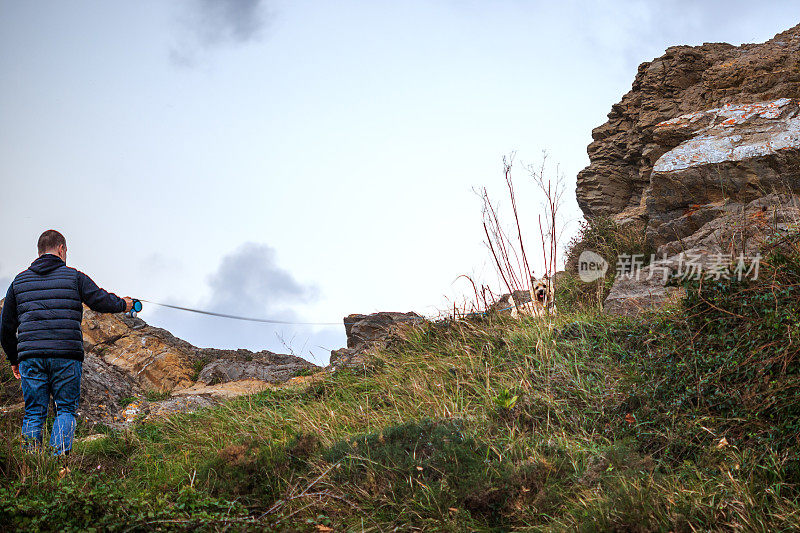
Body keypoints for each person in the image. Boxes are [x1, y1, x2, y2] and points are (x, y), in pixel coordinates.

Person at [0, 230, 132, 456]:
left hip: (30, 357)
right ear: (61, 249)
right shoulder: (74, 277)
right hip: (66, 355)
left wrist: (14, 359)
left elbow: (5, 328)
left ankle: (30, 467)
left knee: (34, 412)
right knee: (65, 410)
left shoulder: (19, 282)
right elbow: (100, 300)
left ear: (39, 251)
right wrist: (124, 304)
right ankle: (59, 464)